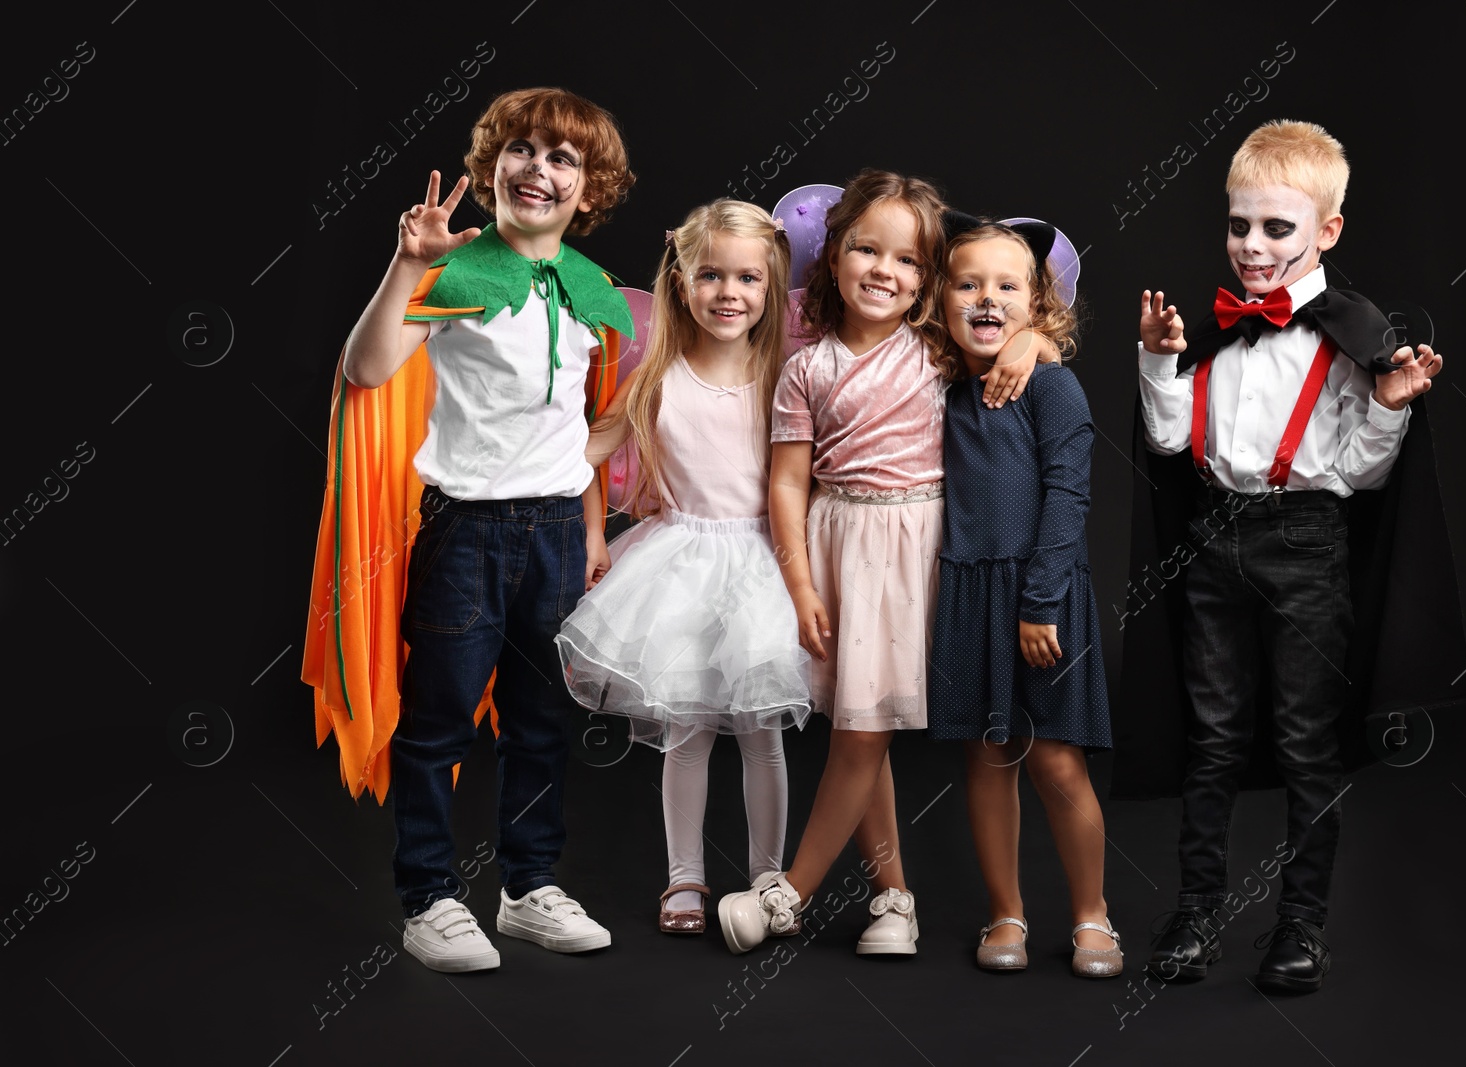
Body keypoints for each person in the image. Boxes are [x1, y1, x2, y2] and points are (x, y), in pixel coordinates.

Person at [305, 87, 637, 973]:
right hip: (468, 534)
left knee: (540, 720)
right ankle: (429, 896)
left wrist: (621, 437)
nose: (540, 168)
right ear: (491, 170)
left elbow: (585, 426)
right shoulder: (461, 272)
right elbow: (367, 367)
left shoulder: (591, 288)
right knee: (439, 719)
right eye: (521, 150)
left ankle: (528, 888)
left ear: (589, 187)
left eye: (563, 158)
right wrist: (408, 265)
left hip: (558, 533)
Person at [1131, 119, 1447, 993]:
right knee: (1213, 740)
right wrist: (1160, 365)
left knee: (1308, 745)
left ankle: (1299, 925)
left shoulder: (1355, 332)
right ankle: (1196, 912)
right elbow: (1167, 445)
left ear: (1327, 231)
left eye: (1277, 228)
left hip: (1307, 546)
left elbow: (1362, 473)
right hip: (1212, 543)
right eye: (1239, 227)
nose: (1252, 246)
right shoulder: (1212, 331)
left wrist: (1387, 402)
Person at [716, 170, 1045, 956]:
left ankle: (789, 895)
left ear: (929, 280)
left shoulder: (937, 350)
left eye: (908, 261)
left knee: (864, 732)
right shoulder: (807, 368)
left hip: (919, 549)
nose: (883, 271)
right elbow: (790, 480)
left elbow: (1017, 324)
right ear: (832, 258)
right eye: (866, 249)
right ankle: (894, 898)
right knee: (859, 723)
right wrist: (798, 581)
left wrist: (1034, 337)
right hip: (837, 545)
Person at [555, 199, 811, 936]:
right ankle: (684, 878)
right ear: (681, 280)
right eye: (709, 275)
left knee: (763, 733)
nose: (728, 293)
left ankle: (769, 875)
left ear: (769, 287)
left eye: (746, 279)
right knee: (689, 729)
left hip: (763, 564)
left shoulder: (785, 379)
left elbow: (804, 481)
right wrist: (597, 537)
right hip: (679, 564)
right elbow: (584, 458)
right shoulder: (659, 378)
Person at [927, 215, 1118, 976]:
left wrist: (1040, 600)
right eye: (967, 283)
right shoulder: (938, 384)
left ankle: (1092, 913)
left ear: (1037, 303)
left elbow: (1069, 495)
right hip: (969, 592)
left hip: (1043, 590)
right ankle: (1005, 911)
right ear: (940, 299)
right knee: (989, 752)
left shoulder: (1052, 383)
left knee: (1057, 762)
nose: (987, 298)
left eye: (1008, 287)